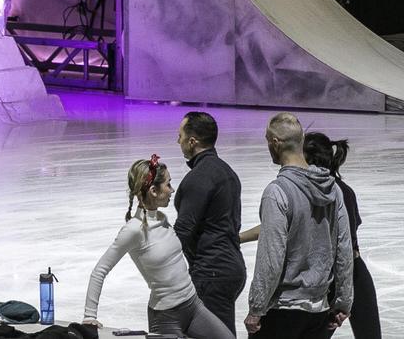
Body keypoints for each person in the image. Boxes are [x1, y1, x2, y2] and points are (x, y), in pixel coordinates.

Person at [240, 131, 379, 339]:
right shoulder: (321, 189)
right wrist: (240, 237)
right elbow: (278, 228)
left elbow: (344, 246)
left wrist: (342, 297)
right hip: (324, 277)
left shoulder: (336, 192)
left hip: (341, 275)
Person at [81, 154, 233, 339]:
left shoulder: (161, 218)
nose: (172, 189)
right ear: (153, 190)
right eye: (168, 184)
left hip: (193, 306)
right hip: (165, 317)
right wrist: (89, 316)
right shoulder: (134, 230)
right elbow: (100, 271)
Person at [172, 111, 245, 335]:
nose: (178, 141)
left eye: (180, 135)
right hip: (228, 267)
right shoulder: (226, 172)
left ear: (192, 142)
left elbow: (183, 231)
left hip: (212, 272)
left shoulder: (200, 177)